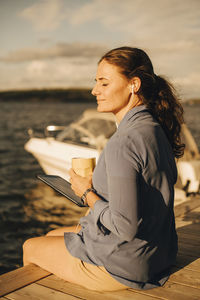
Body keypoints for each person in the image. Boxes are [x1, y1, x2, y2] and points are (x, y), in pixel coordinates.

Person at [23, 46, 185, 291]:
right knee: (50, 235)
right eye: (95, 82)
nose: (94, 90)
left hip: (127, 263)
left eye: (104, 83)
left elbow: (125, 227)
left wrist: (86, 192)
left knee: (30, 247)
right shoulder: (154, 128)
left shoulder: (123, 142)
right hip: (159, 253)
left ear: (134, 85)